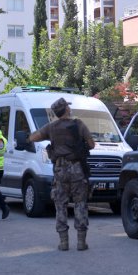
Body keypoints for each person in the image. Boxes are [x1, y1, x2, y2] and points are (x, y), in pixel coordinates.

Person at [29, 97, 95, 251]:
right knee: (80, 203)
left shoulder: (51, 127)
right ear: (67, 109)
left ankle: (63, 242)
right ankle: (81, 242)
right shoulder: (78, 124)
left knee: (60, 205)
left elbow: (33, 137)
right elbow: (92, 144)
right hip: (77, 169)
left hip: (60, 171)